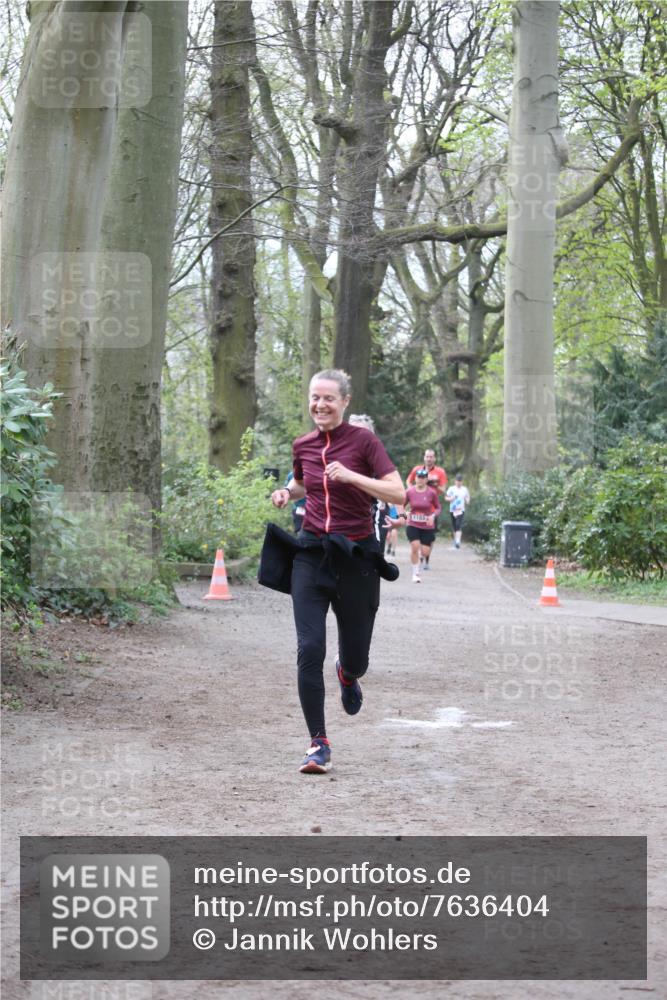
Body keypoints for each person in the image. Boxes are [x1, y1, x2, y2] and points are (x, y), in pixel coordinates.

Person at [271, 370, 405, 774]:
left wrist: (351, 477)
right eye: (315, 398)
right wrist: (285, 492)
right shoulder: (304, 445)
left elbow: (398, 492)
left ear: (345, 402)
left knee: (357, 655)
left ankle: (348, 674)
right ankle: (318, 743)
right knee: (309, 648)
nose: (320, 405)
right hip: (311, 552)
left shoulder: (364, 442)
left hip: (357, 557)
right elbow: (303, 483)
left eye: (329, 398)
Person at [348, 414, 396, 555]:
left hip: (371, 526)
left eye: (362, 434)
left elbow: (398, 494)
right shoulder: (333, 458)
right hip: (338, 530)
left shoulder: (378, 462)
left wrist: (401, 518)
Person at [390, 468, 441, 583]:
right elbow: (401, 505)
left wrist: (433, 516)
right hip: (413, 524)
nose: (420, 480)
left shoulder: (431, 493)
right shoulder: (410, 492)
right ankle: (415, 573)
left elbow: (438, 507)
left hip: (427, 526)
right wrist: (404, 514)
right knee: (415, 547)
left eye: (423, 478)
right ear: (415, 478)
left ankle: (421, 559)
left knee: (425, 552)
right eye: (418, 477)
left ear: (426, 479)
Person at [405, 449, 447, 568]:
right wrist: (413, 490)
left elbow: (444, 489)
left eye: (431, 457)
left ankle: (426, 559)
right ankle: (417, 556)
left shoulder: (440, 472)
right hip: (416, 507)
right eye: (427, 456)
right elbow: (408, 481)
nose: (429, 459)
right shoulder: (416, 469)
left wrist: (434, 484)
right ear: (424, 457)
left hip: (431, 509)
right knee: (415, 539)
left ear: (434, 458)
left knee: (430, 539)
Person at [445, 473, 471, 549]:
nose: (458, 482)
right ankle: (455, 542)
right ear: (455, 481)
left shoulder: (464, 489)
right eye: (457, 481)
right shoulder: (451, 488)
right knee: (454, 526)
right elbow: (446, 497)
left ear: (462, 482)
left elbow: (468, 498)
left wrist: (467, 500)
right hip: (453, 510)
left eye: (460, 481)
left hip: (461, 510)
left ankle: (458, 542)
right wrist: (450, 499)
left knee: (458, 525)